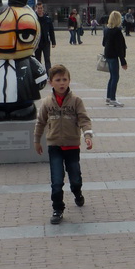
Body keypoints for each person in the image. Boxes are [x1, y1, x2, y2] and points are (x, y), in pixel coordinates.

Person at [34, 65, 94, 225]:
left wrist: (87, 135)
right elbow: (40, 122)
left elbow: (84, 119)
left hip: (72, 146)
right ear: (51, 82)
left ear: (69, 80)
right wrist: (36, 140)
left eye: (65, 80)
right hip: (54, 146)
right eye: (58, 80)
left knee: (75, 178)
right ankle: (57, 209)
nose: (62, 83)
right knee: (57, 180)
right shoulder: (47, 102)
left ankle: (77, 192)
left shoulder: (76, 101)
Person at [102, 10, 128, 107]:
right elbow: (119, 48)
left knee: (112, 77)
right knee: (115, 77)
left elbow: (103, 43)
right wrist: (123, 61)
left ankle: (109, 97)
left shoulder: (106, 30)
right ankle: (112, 98)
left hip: (107, 54)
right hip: (113, 55)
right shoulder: (117, 31)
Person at [34, 2, 56, 72]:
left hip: (46, 42)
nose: (40, 10)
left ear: (43, 9)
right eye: (38, 8)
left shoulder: (47, 18)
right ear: (36, 9)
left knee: (47, 59)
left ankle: (49, 74)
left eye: (41, 8)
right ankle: (39, 73)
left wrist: (53, 42)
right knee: (37, 60)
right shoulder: (34, 19)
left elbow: (51, 31)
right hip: (37, 42)